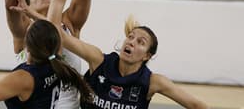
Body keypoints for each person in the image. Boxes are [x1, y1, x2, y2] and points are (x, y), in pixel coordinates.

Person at [56, 16, 210, 109]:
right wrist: (32, 13)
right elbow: (60, 35)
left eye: (140, 42)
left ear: (147, 56)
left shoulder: (153, 82)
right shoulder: (99, 61)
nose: (131, 42)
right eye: (130, 37)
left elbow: (198, 106)